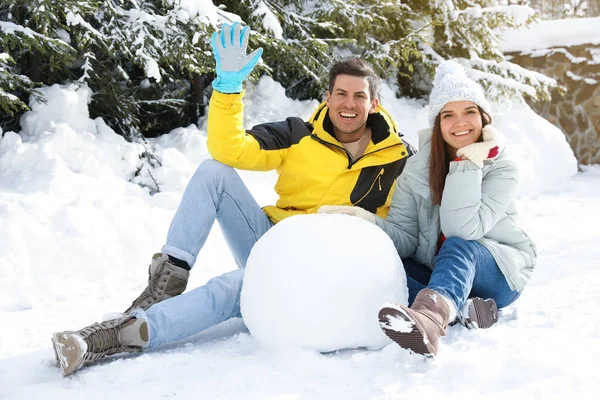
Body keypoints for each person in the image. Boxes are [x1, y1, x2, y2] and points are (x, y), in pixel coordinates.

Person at [51, 23, 415, 376]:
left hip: (327, 268)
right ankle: (166, 281)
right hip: (274, 241)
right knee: (214, 171)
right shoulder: (298, 134)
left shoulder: (398, 158)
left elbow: (419, 222)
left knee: (235, 286)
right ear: (328, 97)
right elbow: (230, 150)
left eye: (359, 96)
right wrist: (228, 88)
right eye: (341, 94)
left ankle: (121, 334)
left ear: (374, 103)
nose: (348, 104)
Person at [322, 60, 537, 356]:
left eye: (469, 112)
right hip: (441, 274)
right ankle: (463, 309)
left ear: (484, 118)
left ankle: (430, 321)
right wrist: (367, 222)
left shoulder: (502, 167)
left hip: (498, 273)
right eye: (448, 115)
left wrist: (467, 161)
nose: (460, 122)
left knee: (460, 246)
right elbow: (406, 239)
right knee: (390, 268)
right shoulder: (416, 169)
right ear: (437, 123)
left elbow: (460, 230)